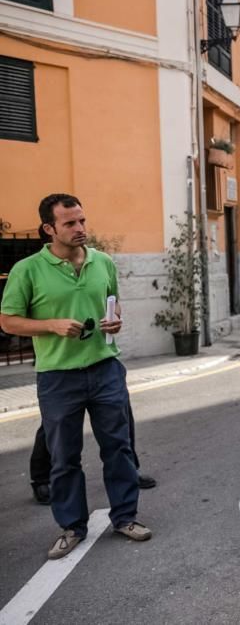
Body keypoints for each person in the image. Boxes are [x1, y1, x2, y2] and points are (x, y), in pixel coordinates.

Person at [0, 194, 152, 559]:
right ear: (49, 229)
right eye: (70, 223)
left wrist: (115, 321)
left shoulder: (103, 262)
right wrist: (50, 325)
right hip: (57, 377)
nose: (80, 228)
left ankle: (125, 517)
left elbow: (113, 305)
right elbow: (7, 320)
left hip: (106, 369)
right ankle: (72, 527)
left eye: (82, 220)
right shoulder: (28, 270)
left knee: (119, 448)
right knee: (64, 456)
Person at [30, 401, 157, 505]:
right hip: (62, 375)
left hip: (103, 373)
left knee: (120, 416)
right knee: (54, 424)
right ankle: (41, 478)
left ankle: (130, 469)